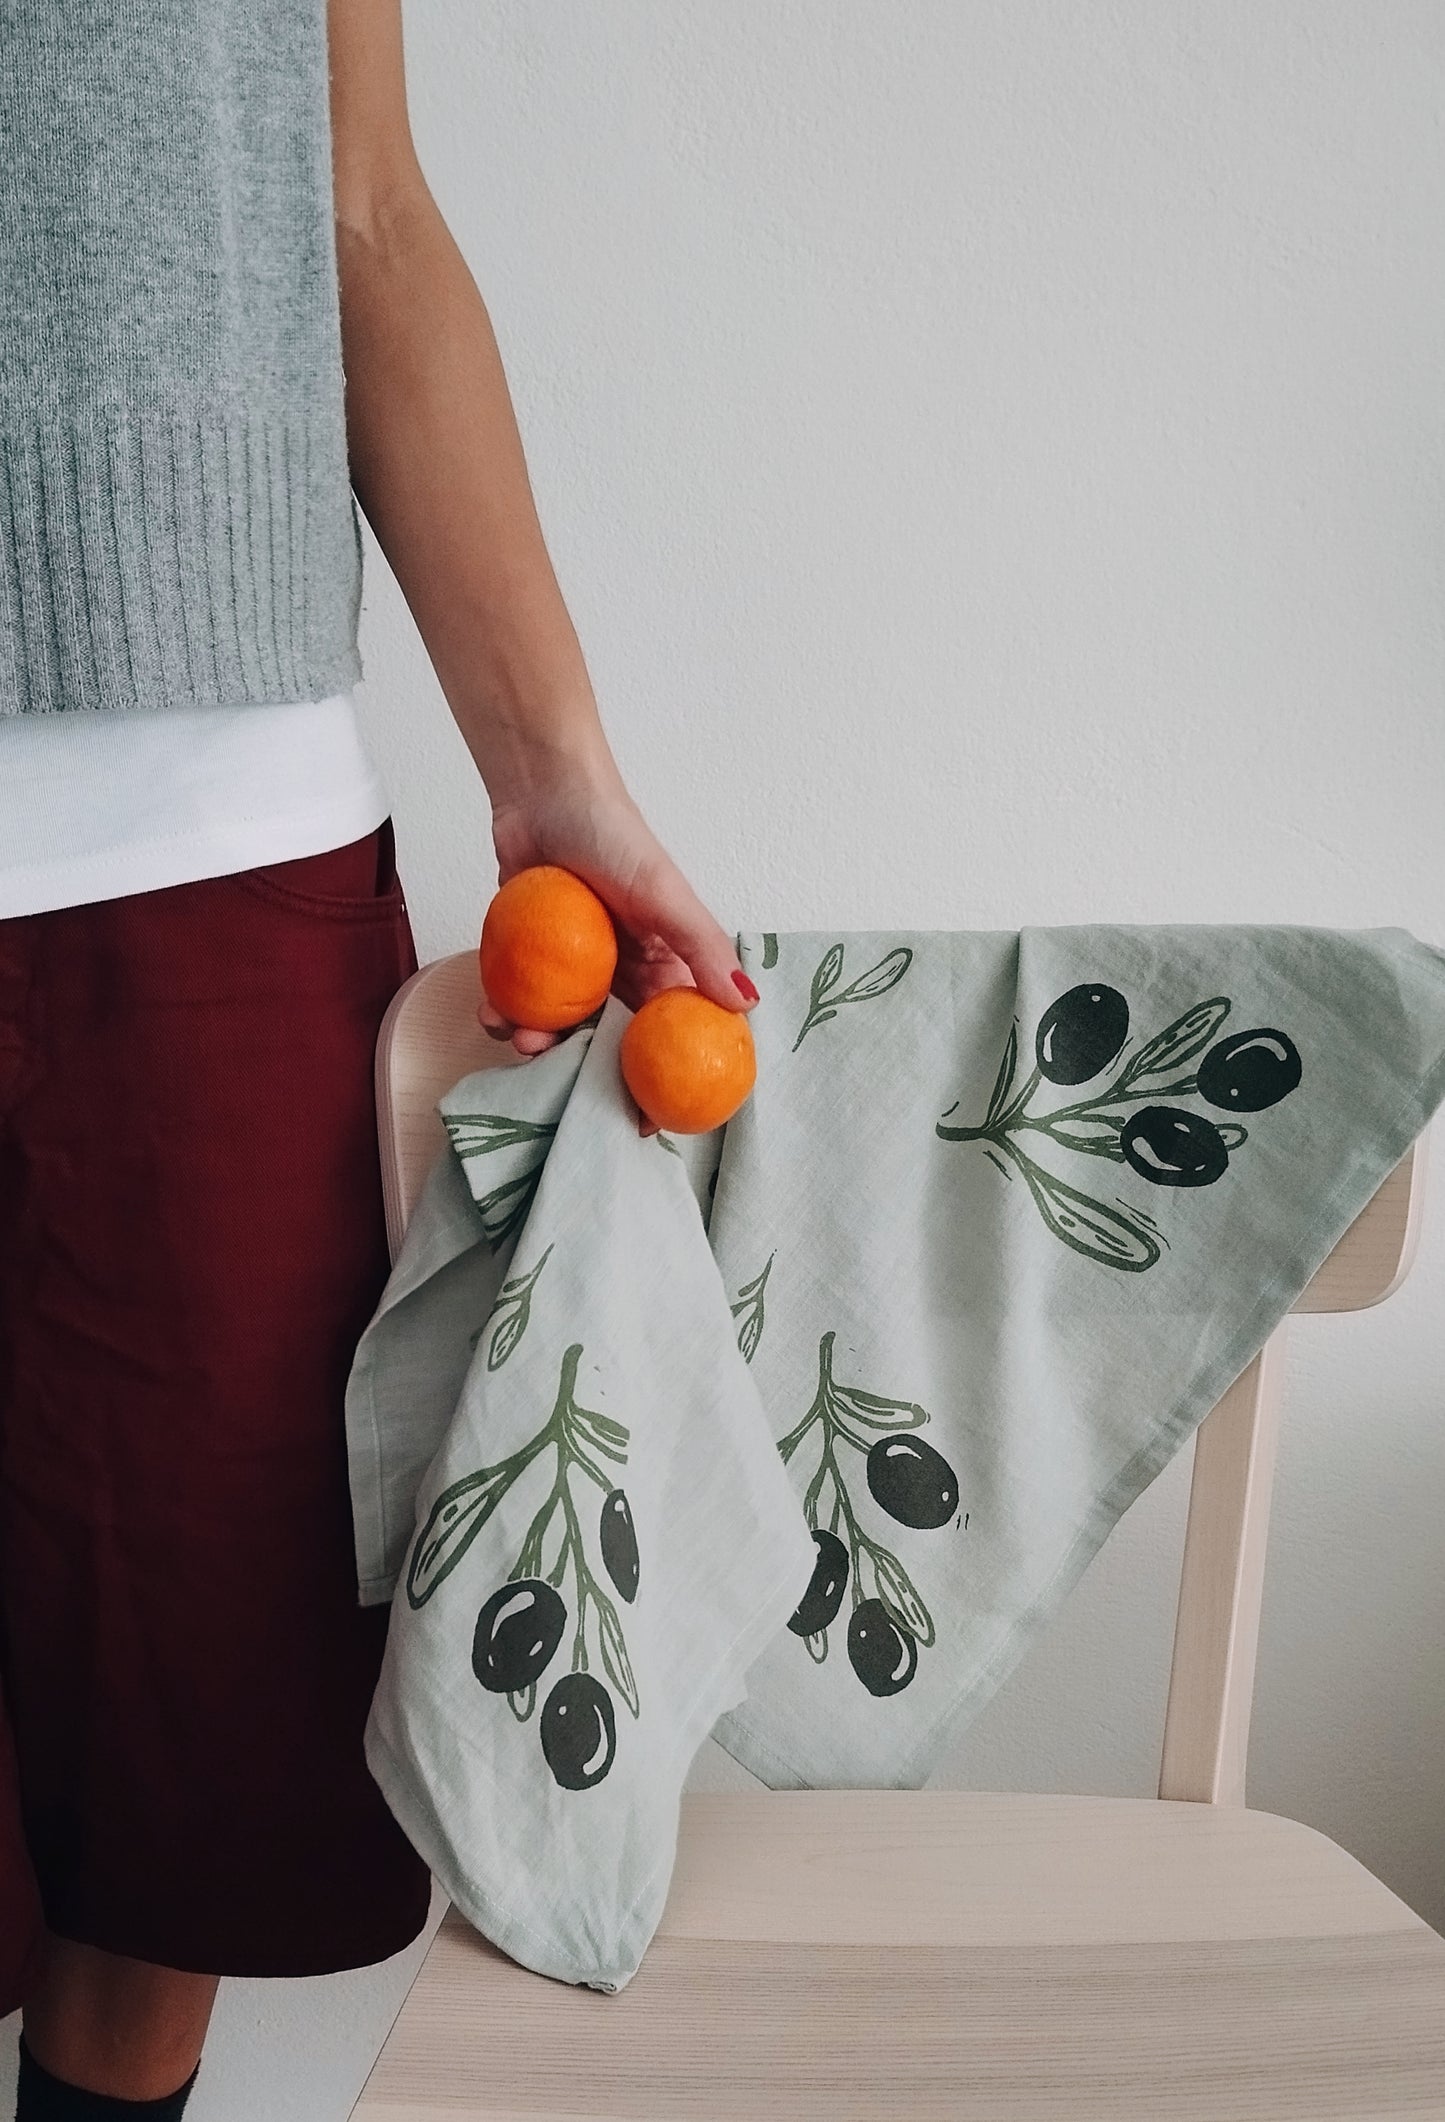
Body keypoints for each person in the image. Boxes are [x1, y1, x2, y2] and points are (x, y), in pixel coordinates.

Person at [0, 1, 759, 2114]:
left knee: (187, 1801)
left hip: (218, 858)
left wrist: (557, 771)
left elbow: (363, 207)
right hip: (207, 865)